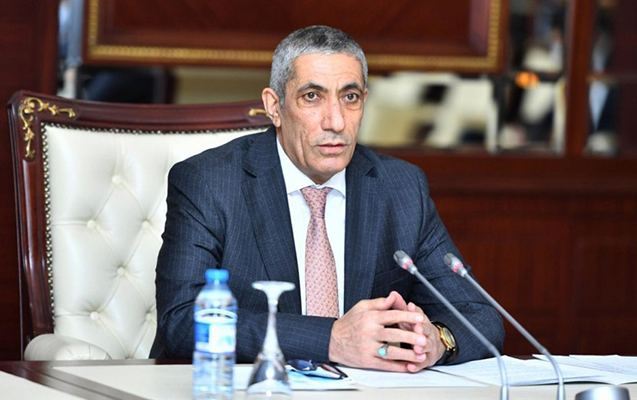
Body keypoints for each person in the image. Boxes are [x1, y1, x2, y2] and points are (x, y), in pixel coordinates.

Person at [151, 25, 504, 372]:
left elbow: (480, 315)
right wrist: (331, 339)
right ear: (274, 106)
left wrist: (438, 340)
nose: (335, 121)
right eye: (312, 97)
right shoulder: (210, 182)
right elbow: (181, 321)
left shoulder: (401, 187)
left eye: (349, 97)